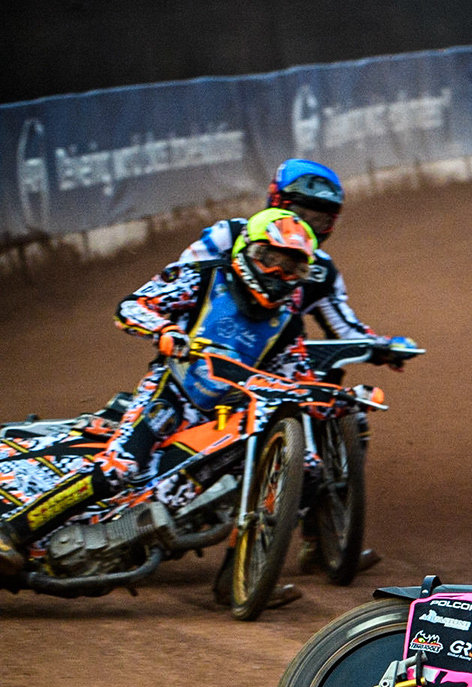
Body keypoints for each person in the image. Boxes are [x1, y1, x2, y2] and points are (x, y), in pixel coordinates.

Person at [0, 210, 318, 576]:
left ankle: (245, 576)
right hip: (170, 393)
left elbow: (298, 380)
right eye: (271, 260)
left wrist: (333, 401)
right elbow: (132, 307)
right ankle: (13, 531)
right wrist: (164, 330)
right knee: (120, 469)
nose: (279, 274)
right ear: (247, 252)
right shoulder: (203, 277)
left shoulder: (289, 325)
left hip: (222, 420)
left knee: (265, 476)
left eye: (291, 268)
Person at [175, 158, 415, 576]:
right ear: (276, 201)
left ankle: (319, 539)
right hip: (204, 365)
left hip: (280, 370)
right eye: (299, 210)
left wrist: (382, 346)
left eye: (319, 217)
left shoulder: (319, 270)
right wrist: (176, 339)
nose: (307, 223)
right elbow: (179, 284)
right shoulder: (228, 236)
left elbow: (343, 323)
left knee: (346, 412)